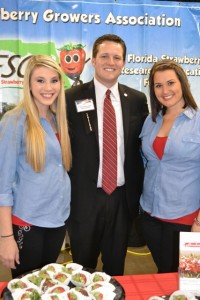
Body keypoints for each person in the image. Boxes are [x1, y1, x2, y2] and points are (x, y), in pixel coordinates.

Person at [65, 34, 149, 276]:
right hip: (84, 199)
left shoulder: (136, 99)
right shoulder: (71, 98)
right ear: (93, 60)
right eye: (104, 56)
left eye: (117, 57)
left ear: (124, 62)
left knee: (115, 268)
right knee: (82, 269)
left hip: (122, 199)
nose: (110, 61)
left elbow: (140, 147)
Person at [0, 55, 72, 278]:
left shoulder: (58, 119)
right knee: (25, 288)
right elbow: (2, 186)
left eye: (54, 80)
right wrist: (5, 237)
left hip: (57, 220)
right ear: (29, 84)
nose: (48, 87)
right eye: (40, 80)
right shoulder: (14, 121)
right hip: (26, 223)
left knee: (45, 285)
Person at [139, 59, 200, 274]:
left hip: (186, 218)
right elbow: (146, 163)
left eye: (171, 83)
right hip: (151, 215)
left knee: (187, 280)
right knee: (164, 272)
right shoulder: (151, 121)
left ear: (182, 84)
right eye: (158, 85)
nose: (165, 90)